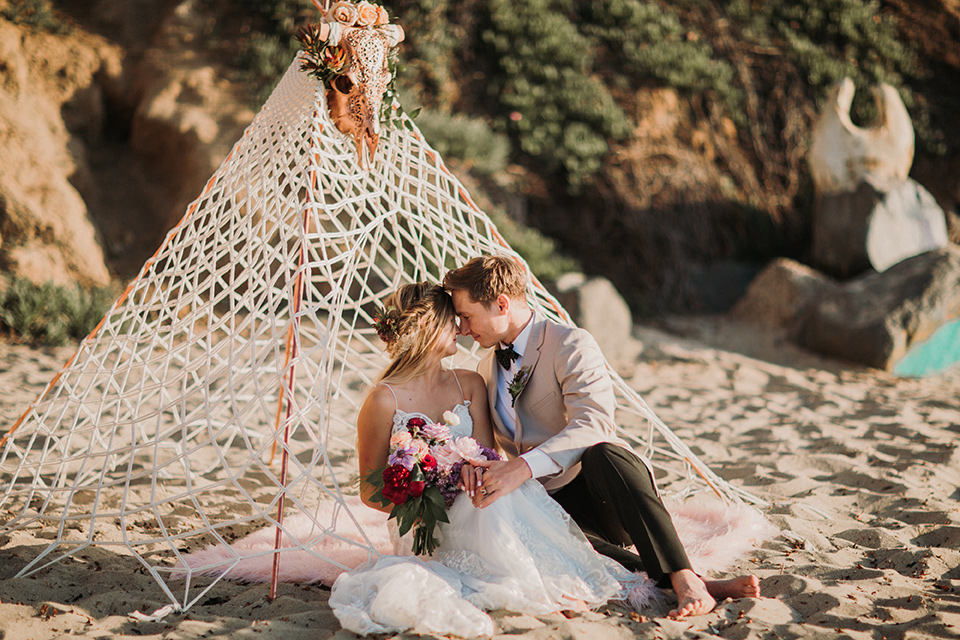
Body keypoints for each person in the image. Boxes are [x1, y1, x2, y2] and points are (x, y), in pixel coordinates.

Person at [442, 255, 761, 618]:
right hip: (549, 503)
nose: (464, 329)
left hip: (605, 492)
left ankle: (685, 575)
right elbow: (493, 446)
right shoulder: (486, 367)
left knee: (604, 452)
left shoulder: (570, 343)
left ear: (502, 303)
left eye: (467, 316)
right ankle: (693, 583)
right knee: (530, 531)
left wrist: (523, 468)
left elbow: (593, 423)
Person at [332, 282, 649, 636]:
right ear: (427, 328)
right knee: (486, 506)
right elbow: (369, 491)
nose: (462, 329)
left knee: (495, 495)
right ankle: (538, 583)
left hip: (479, 500)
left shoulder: (469, 383)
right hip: (427, 518)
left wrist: (471, 472)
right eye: (453, 321)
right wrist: (425, 493)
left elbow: (487, 457)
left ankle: (549, 578)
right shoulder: (382, 401)